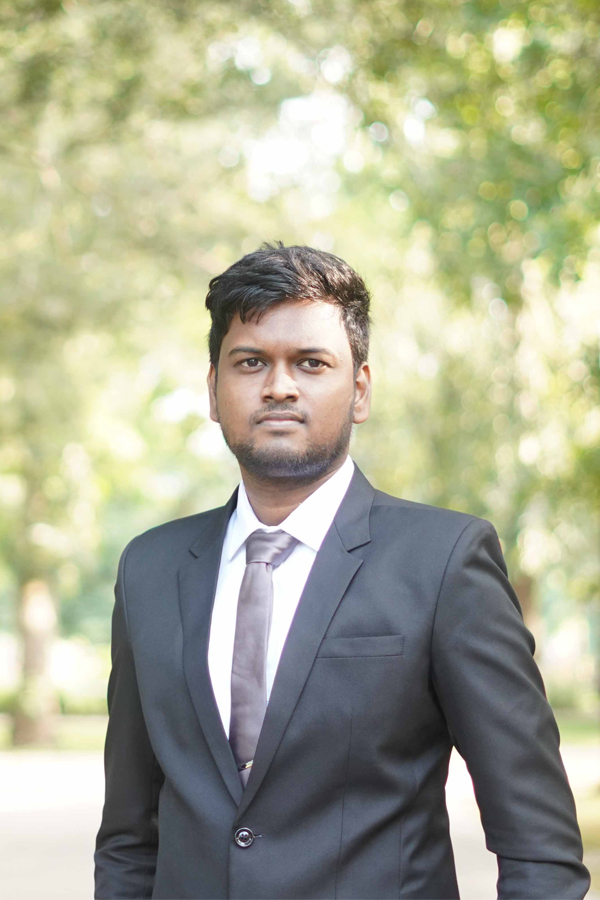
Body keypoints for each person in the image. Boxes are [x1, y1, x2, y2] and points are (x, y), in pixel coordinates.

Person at [94, 243, 590, 900]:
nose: (279, 386)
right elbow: (130, 837)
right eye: (250, 362)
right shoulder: (149, 570)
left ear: (359, 390)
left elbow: (539, 847)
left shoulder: (445, 562)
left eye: (311, 362)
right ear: (213, 391)